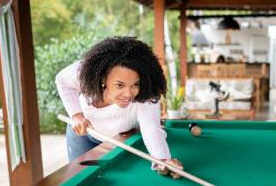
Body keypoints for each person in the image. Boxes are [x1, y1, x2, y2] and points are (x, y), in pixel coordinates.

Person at [56, 36, 182, 177]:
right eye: (120, 85)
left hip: (117, 138)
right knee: (77, 177)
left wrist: (163, 160)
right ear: (103, 78)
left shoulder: (146, 95)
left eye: (136, 84)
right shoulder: (86, 72)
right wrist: (77, 115)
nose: (128, 94)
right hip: (82, 133)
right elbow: (62, 81)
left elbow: (151, 127)